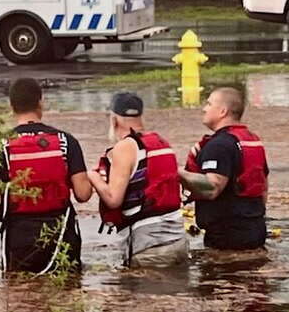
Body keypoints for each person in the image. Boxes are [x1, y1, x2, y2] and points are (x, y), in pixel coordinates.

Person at [0, 78, 92, 274]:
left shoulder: (0, 145)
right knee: (69, 295)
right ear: (40, 102)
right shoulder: (66, 141)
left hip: (19, 237)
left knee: (20, 296)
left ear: (11, 106)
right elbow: (83, 194)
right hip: (62, 234)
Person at [88, 92, 188, 269]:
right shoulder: (162, 143)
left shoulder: (125, 147)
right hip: (178, 242)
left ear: (114, 120)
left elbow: (113, 200)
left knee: (141, 295)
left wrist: (93, 177)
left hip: (148, 247)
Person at [179, 87, 269, 250]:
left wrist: (178, 172)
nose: (204, 109)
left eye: (209, 104)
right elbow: (263, 189)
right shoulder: (251, 141)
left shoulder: (219, 145)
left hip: (227, 235)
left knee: (221, 273)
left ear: (222, 111)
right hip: (255, 227)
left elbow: (212, 188)